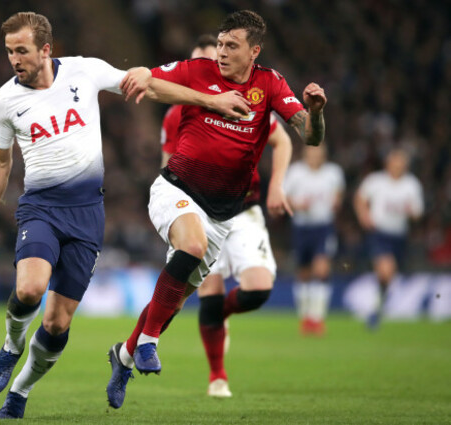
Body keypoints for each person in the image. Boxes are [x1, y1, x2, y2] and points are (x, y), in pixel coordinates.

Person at [0, 11, 248, 420]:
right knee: (30, 288)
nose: (15, 59)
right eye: (10, 51)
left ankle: (20, 392)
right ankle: (11, 347)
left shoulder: (85, 71)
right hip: (41, 208)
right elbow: (0, 161)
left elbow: (149, 87)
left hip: (86, 215)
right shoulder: (5, 100)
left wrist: (211, 101)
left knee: (57, 323)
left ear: (46, 49)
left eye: (22, 51)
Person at [107, 9, 326, 409]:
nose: (221, 52)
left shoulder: (270, 84)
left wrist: (316, 112)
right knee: (190, 246)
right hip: (177, 189)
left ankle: (123, 355)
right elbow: (149, 79)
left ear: (254, 51)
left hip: (226, 212)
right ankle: (150, 344)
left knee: (174, 300)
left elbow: (308, 137)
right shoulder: (197, 71)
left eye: (231, 46)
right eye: (220, 44)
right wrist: (206, 98)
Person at [159, 34, 293, 398]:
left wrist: (278, 184)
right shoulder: (177, 113)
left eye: (214, 58)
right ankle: (217, 376)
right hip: (201, 209)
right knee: (210, 295)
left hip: (245, 207)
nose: (209, 67)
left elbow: (283, 139)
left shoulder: (249, 96)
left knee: (258, 290)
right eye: (199, 62)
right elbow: (168, 163)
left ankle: (223, 316)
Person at [353, 147, 424, 330]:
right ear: (388, 164)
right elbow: (360, 198)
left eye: (401, 163)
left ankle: (378, 305)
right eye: (395, 162)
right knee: (386, 270)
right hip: (380, 233)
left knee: (388, 277)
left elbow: (417, 212)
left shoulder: (411, 184)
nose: (398, 166)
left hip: (399, 235)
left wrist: (411, 213)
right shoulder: (376, 181)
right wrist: (364, 216)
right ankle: (377, 307)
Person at [284, 144, 345, 336]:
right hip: (301, 227)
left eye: (318, 155)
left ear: (324, 156)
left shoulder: (333, 173)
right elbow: (285, 197)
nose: (315, 158)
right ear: (305, 155)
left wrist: (336, 202)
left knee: (321, 269)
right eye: (311, 154)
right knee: (303, 273)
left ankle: (317, 318)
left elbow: (338, 196)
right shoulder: (295, 173)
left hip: (323, 227)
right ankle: (305, 317)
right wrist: (297, 205)